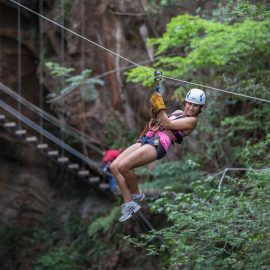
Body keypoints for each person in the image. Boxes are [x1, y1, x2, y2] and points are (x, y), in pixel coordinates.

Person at [110, 88, 206, 222]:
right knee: (114, 167)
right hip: (150, 137)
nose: (191, 107)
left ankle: (136, 194)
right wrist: (156, 109)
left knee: (123, 166)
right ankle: (129, 203)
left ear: (200, 108)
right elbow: (162, 121)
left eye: (195, 106)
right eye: (189, 103)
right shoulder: (178, 112)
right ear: (185, 102)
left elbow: (168, 123)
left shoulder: (192, 121)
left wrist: (161, 106)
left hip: (160, 143)